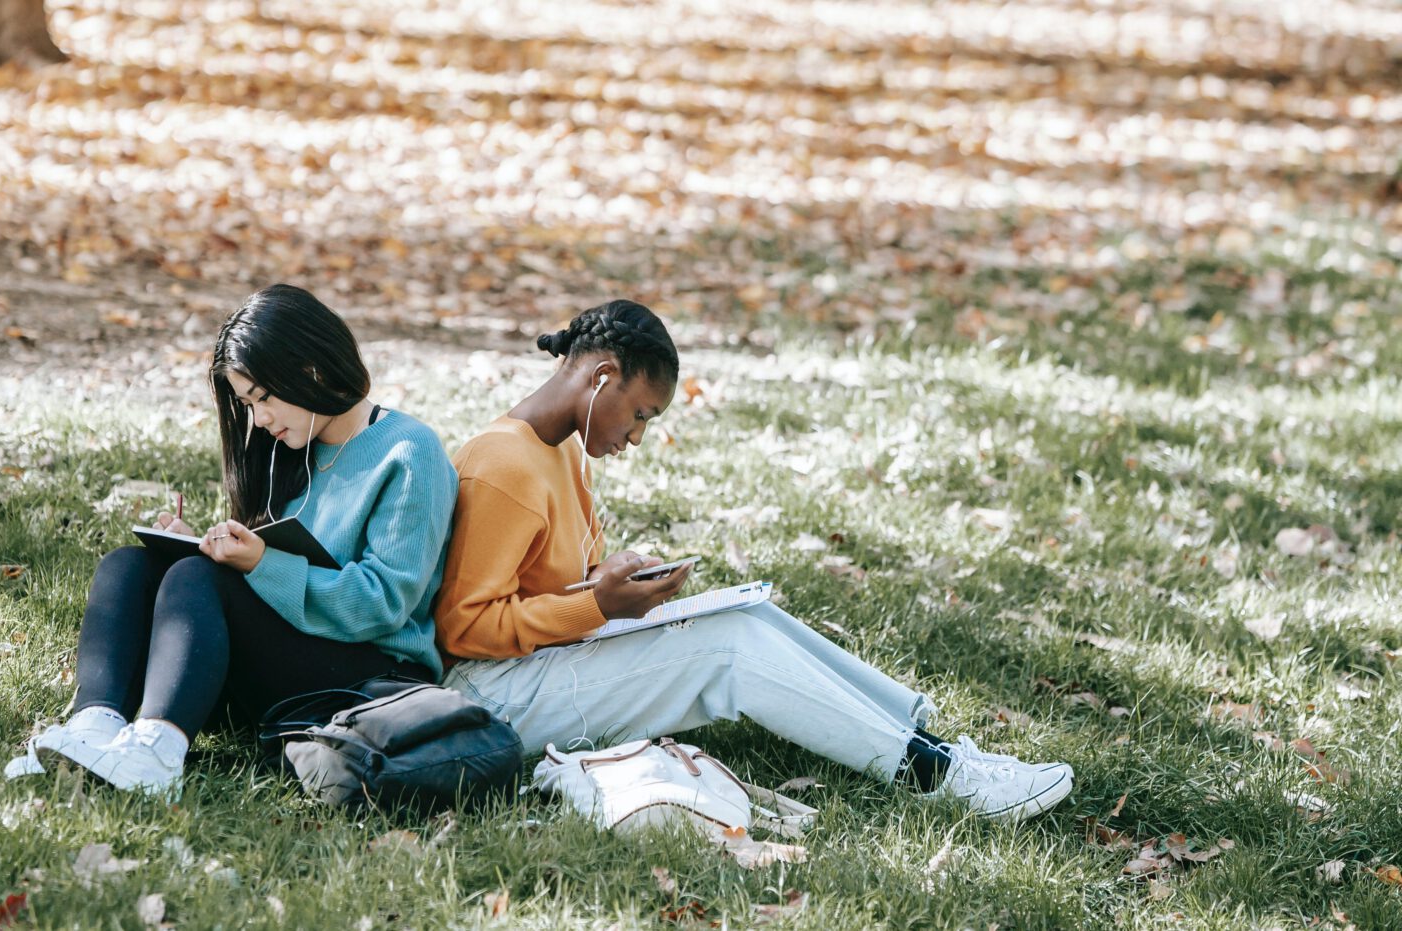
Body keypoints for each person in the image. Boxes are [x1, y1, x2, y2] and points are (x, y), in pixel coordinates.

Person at [434, 299, 1074, 821]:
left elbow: (543, 579)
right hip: (496, 698)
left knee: (750, 615)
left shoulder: (561, 452)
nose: (637, 436)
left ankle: (931, 743)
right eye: (640, 414)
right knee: (730, 648)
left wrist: (607, 583)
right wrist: (596, 603)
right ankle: (937, 777)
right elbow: (463, 630)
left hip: (542, 663)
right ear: (602, 378)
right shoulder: (504, 464)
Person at [5, 284, 457, 797]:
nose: (259, 420)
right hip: (288, 657)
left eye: (264, 399)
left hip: (369, 676)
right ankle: (93, 732)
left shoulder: (406, 450)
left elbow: (383, 605)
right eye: (248, 404)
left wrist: (257, 563)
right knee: (130, 566)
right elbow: (268, 574)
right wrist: (205, 545)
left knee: (200, 579)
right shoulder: (288, 449)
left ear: (310, 370)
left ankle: (155, 753)